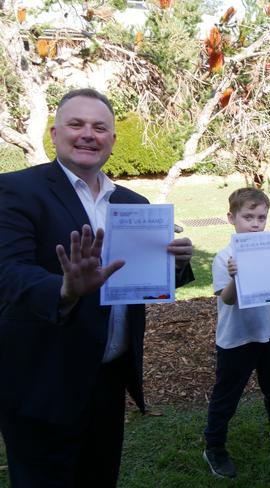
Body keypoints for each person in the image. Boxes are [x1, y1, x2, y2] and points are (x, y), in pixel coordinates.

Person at [0, 88, 195, 488]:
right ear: (54, 134)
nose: (88, 134)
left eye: (99, 127)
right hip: (42, 381)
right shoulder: (16, 190)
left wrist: (177, 263)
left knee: (100, 478)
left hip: (107, 381)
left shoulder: (134, 203)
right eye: (76, 124)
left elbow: (146, 281)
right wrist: (65, 289)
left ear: (112, 140)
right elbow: (8, 271)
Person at [203, 187, 270, 478]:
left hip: (266, 335)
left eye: (261, 217)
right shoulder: (224, 257)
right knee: (226, 396)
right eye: (248, 216)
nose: (255, 223)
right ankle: (214, 446)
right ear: (231, 217)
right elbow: (225, 299)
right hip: (235, 339)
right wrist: (236, 277)